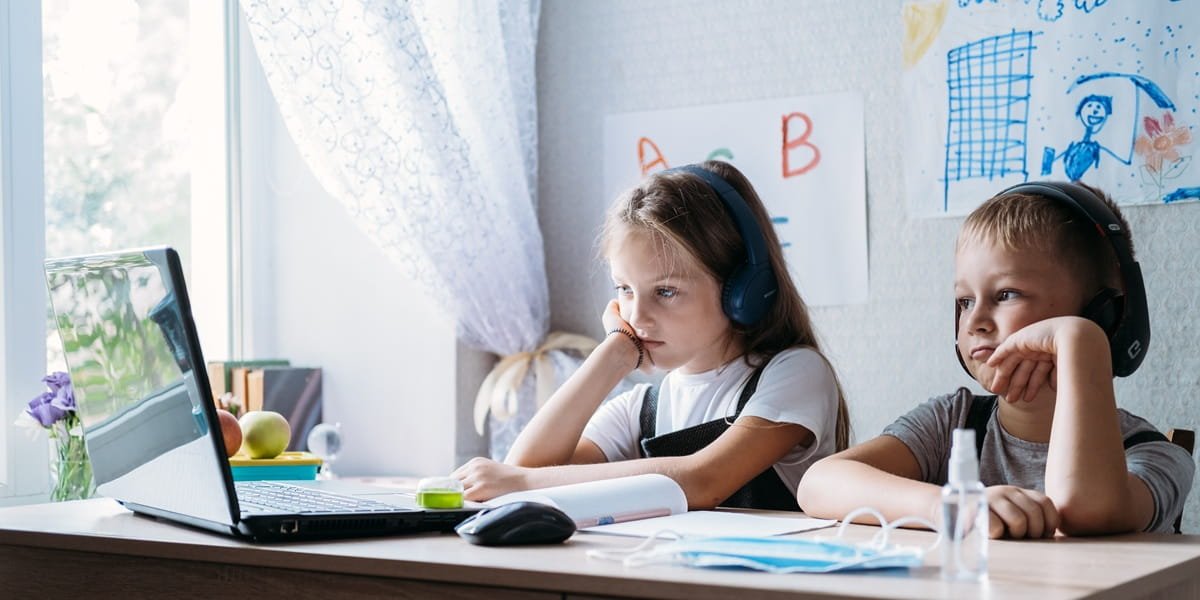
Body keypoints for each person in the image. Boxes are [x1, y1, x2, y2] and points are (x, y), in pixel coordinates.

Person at [797, 181, 1193, 537]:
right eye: (965, 301)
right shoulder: (951, 424)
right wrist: (952, 506)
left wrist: (1082, 340)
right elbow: (818, 483)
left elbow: (1082, 510)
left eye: (1006, 294)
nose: (976, 322)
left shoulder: (1150, 454)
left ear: (1104, 313)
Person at [453, 160, 849, 510]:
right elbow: (522, 470)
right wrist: (611, 357)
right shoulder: (643, 408)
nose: (637, 316)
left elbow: (703, 481)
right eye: (624, 289)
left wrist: (521, 482)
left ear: (741, 291)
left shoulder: (795, 373)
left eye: (665, 292)